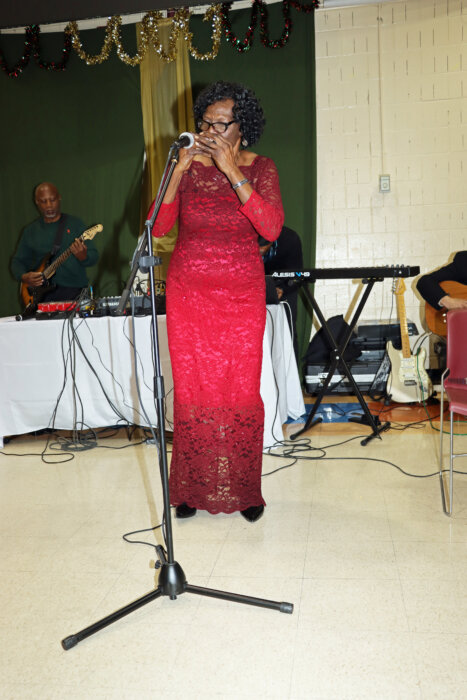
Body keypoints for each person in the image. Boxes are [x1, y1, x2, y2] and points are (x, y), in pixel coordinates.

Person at [149, 81, 284, 522]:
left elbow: (271, 228)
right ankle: (190, 488)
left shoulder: (261, 168)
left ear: (242, 128)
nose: (210, 131)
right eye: (205, 122)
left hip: (241, 292)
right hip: (190, 292)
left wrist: (232, 172)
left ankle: (245, 491)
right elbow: (157, 228)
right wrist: (177, 176)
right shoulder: (184, 167)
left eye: (220, 124)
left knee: (240, 390)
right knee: (192, 391)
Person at [11, 182, 99, 304]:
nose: (48, 205)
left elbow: (94, 256)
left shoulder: (75, 224)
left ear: (59, 198)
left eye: (52, 200)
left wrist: (83, 256)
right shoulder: (30, 231)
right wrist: (24, 276)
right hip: (42, 297)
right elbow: (17, 262)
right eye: (43, 201)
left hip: (74, 293)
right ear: (36, 202)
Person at [259, 225, 303, 362]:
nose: (259, 253)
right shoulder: (243, 237)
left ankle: (292, 375)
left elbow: (297, 275)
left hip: (284, 285)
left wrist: (283, 289)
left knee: (287, 333)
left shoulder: (290, 239)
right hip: (253, 284)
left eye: (262, 250)